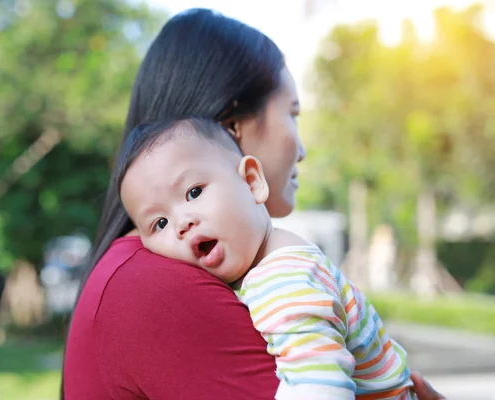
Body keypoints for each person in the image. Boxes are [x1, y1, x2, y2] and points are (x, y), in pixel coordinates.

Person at [62, 8, 446, 400]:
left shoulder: (181, 267)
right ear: (233, 126)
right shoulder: (157, 287)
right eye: (292, 113)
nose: (303, 148)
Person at [118, 117, 416, 400]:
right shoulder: (269, 263)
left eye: (194, 192)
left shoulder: (284, 277)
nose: (182, 223)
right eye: (160, 223)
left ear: (251, 182)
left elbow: (321, 387)